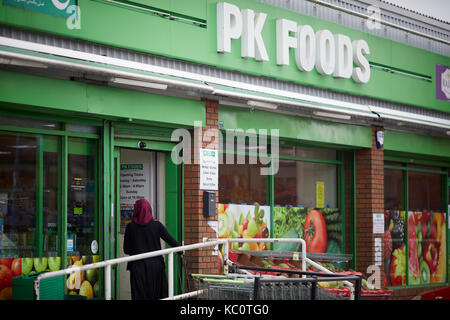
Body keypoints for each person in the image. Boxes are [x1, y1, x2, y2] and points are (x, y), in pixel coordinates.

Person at [123, 198, 179, 300]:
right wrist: (180, 251)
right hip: (156, 267)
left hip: (137, 267)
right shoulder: (156, 225)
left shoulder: (130, 227)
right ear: (149, 209)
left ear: (136, 210)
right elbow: (172, 241)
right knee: (158, 295)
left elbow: (126, 250)